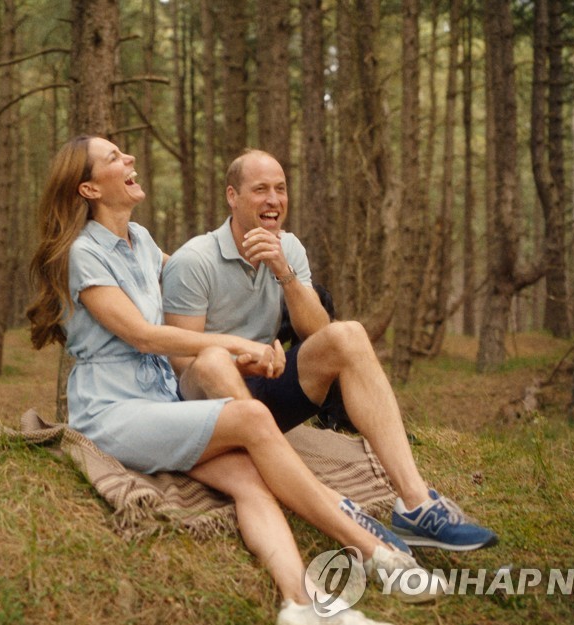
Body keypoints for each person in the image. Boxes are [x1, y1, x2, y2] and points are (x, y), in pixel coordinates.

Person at [27, 136, 433, 625]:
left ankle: (301, 607)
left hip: (162, 404)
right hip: (112, 411)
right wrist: (237, 345)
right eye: (114, 158)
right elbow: (143, 335)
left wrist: (257, 331)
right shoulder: (81, 253)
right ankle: (372, 549)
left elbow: (188, 281)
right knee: (252, 418)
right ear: (88, 187)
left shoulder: (143, 241)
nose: (129, 158)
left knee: (252, 483)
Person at [162, 148, 499, 553]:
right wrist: (241, 362)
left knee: (349, 335)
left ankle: (416, 503)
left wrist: (283, 272)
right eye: (260, 190)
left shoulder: (290, 249)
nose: (273, 200)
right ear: (232, 197)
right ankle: (333, 506)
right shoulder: (194, 260)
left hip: (266, 389)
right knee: (214, 362)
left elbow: (317, 333)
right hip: (208, 406)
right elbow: (180, 360)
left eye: (281, 189)